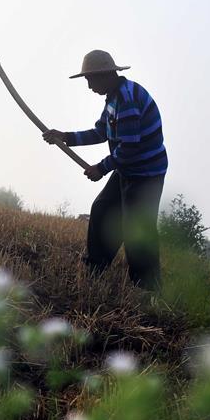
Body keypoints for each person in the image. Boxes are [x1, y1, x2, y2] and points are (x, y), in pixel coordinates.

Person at [43, 49, 167, 290]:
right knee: (101, 208)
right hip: (128, 168)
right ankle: (94, 269)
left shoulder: (127, 100)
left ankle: (148, 289)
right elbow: (101, 132)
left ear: (104, 75)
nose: (88, 86)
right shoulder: (113, 98)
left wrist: (101, 168)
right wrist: (66, 137)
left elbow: (129, 147)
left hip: (146, 174)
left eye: (90, 79)